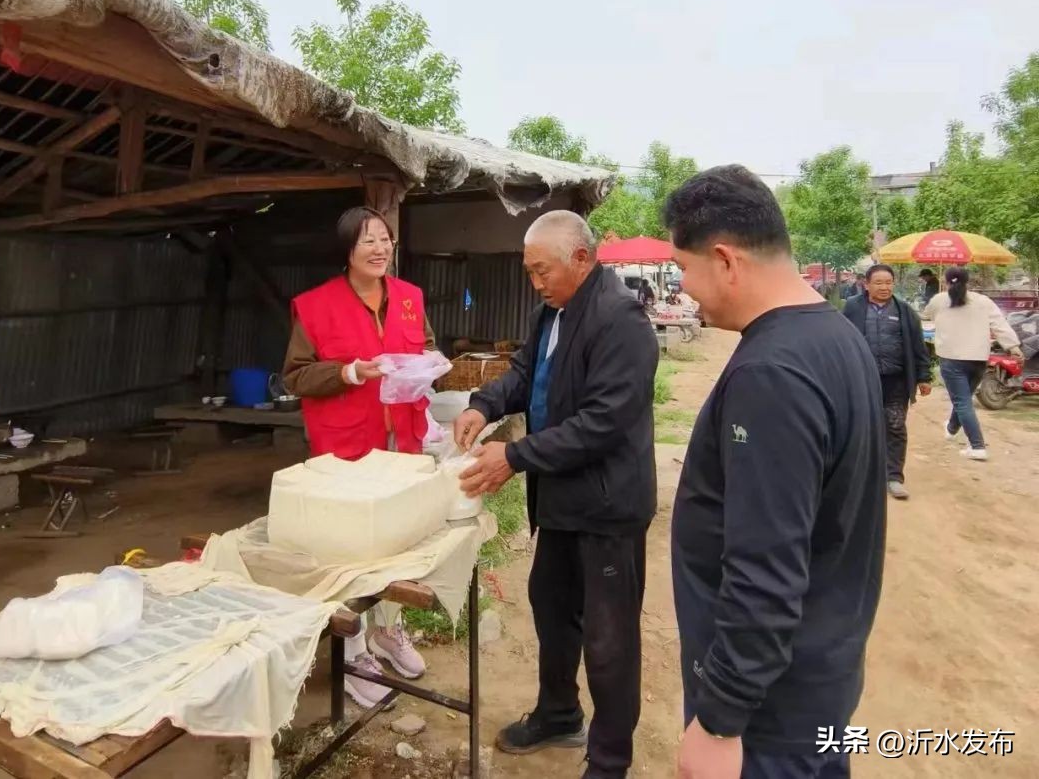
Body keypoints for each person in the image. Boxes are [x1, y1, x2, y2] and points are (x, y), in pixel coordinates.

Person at [665, 166, 886, 779]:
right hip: (816, 677)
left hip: (771, 712)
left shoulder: (773, 373)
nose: (686, 290)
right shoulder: (835, 336)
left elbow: (765, 569)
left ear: (726, 260)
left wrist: (719, 719)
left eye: (685, 269)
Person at [453, 210, 658, 779]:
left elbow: (604, 422)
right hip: (563, 498)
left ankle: (611, 759)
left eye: (543, 271)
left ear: (582, 259)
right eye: (530, 272)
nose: (535, 282)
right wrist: (484, 404)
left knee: (609, 635)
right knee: (551, 606)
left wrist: (514, 457)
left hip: (608, 505)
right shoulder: (553, 310)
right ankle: (559, 712)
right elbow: (524, 375)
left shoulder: (621, 321)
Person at [282, 205, 435, 708]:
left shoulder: (410, 298)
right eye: (368, 240)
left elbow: (427, 349)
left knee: (396, 545)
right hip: (347, 448)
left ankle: (387, 630)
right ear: (347, 249)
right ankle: (350, 652)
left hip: (402, 445)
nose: (380, 248)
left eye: (385, 238)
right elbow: (296, 376)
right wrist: (349, 373)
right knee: (348, 553)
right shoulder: (314, 305)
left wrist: (428, 367)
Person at [843, 264, 932, 500]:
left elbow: (918, 346)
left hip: (896, 380)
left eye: (888, 282)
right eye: (879, 283)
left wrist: (924, 376)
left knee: (895, 426)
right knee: (861, 427)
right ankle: (863, 476)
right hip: (862, 379)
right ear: (867, 285)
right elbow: (840, 340)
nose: (884, 287)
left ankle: (894, 477)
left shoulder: (905, 311)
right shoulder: (852, 307)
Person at [923, 267, 1023, 461]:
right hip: (978, 358)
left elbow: (927, 315)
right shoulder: (983, 301)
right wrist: (1014, 347)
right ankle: (951, 428)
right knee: (964, 399)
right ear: (968, 282)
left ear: (945, 281)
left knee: (962, 401)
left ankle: (977, 446)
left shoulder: (939, 300)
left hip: (952, 358)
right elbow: (999, 325)